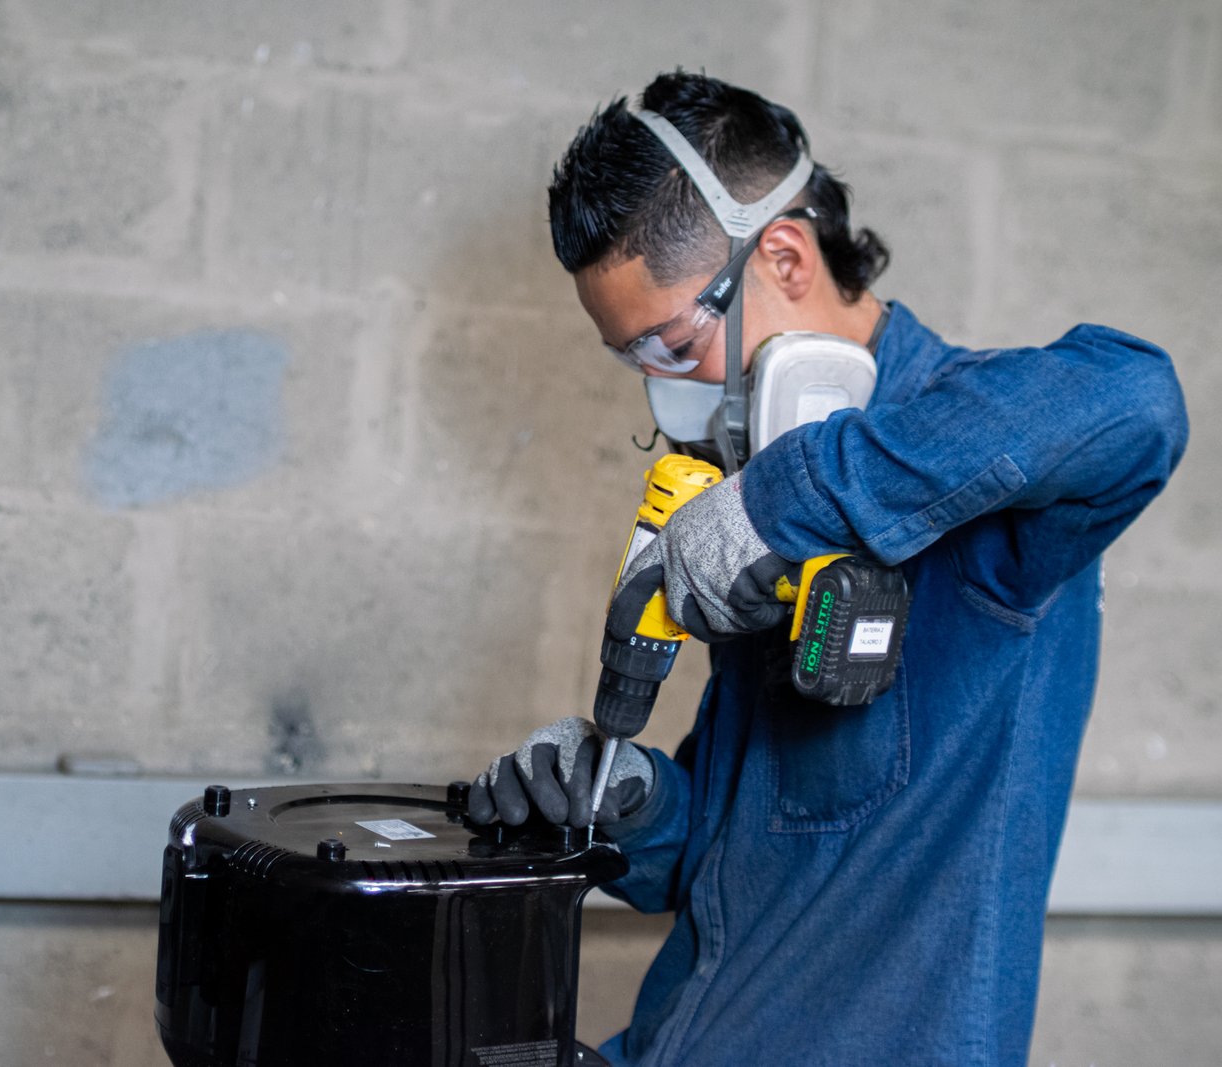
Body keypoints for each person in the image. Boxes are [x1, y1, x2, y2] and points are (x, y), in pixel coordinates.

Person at [467, 71, 1188, 1066]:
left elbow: (1138, 400)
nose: (668, 397)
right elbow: (731, 865)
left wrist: (791, 502)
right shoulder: (754, 497)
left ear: (787, 255)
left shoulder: (988, 479)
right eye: (635, 360)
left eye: (676, 345)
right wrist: (631, 799)